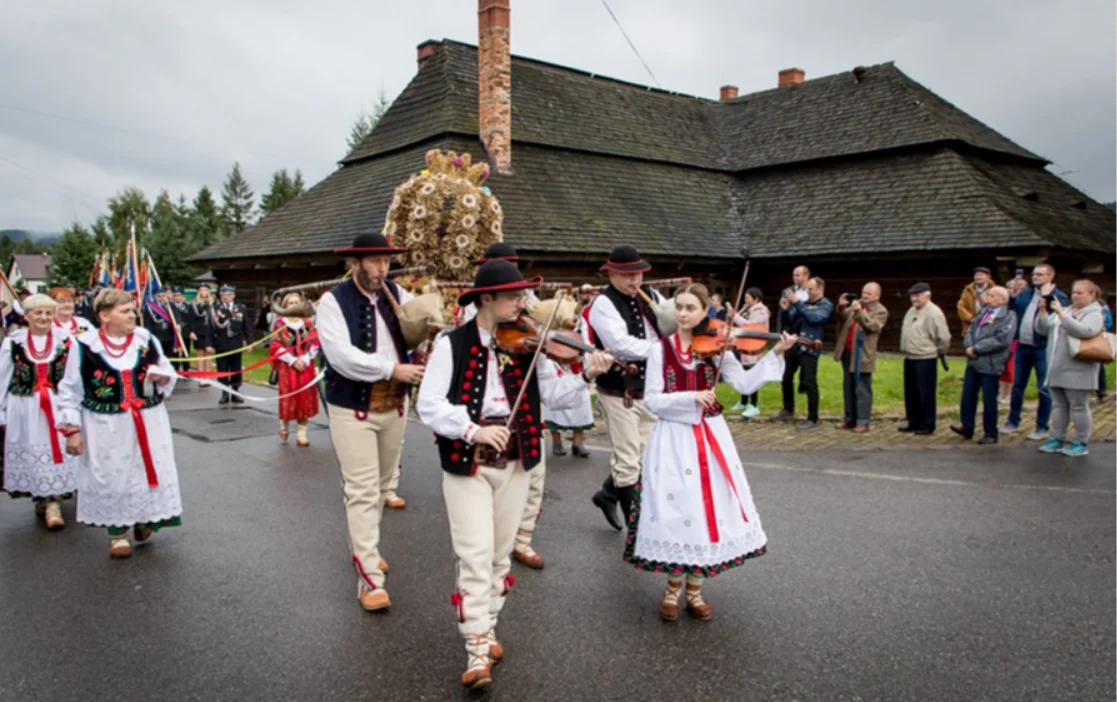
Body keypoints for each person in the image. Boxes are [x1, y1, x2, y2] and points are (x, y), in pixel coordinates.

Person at [416, 259, 614, 689]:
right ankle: (475, 649)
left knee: (499, 555)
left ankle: (485, 627)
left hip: (517, 460)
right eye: (513, 297)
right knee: (473, 554)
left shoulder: (529, 344)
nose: (522, 305)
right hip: (468, 462)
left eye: (522, 296)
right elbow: (428, 404)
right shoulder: (452, 343)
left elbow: (557, 398)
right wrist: (473, 429)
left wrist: (587, 375)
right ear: (486, 298)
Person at [624, 283, 796, 622]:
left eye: (691, 308)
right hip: (673, 439)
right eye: (680, 307)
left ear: (706, 312)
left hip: (710, 436)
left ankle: (696, 589)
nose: (684, 314)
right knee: (678, 506)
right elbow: (654, 399)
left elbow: (746, 385)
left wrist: (776, 353)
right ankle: (673, 587)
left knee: (708, 508)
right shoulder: (661, 349)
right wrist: (690, 398)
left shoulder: (718, 348)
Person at [317, 232, 424, 613]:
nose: (383, 269)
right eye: (376, 262)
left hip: (394, 406)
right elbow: (340, 357)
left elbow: (422, 330)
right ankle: (369, 579)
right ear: (355, 263)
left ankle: (366, 548)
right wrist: (391, 368)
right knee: (361, 490)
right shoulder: (332, 301)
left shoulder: (399, 295)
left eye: (386, 262)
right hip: (353, 409)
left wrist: (429, 335)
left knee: (380, 487)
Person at [56, 288, 182, 558]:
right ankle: (117, 533)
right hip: (105, 425)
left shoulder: (145, 339)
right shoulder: (83, 346)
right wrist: (72, 431)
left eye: (132, 309)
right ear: (104, 315)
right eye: (124, 311)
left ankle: (145, 518)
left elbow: (167, 369)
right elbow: (69, 391)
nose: (132, 315)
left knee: (148, 471)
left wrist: (162, 377)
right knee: (112, 473)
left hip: (149, 420)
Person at [586, 245, 668, 531]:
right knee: (629, 460)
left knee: (644, 455)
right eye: (628, 276)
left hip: (650, 391)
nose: (635, 282)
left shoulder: (653, 296)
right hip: (618, 393)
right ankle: (638, 531)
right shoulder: (603, 304)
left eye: (639, 275)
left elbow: (669, 325)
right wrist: (662, 350)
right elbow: (620, 345)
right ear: (611, 274)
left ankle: (607, 495)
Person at [0, 294, 80, 530]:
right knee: (32, 452)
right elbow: (2, 377)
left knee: (58, 450)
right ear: (27, 316)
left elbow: (75, 376)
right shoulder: (13, 342)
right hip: (24, 406)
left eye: (48, 313)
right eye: (38, 313)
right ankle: (41, 496)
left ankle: (53, 503)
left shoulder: (66, 341)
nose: (44, 318)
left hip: (57, 404)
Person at [1035, 280, 1105, 457]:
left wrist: (1061, 314)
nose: (1075, 296)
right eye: (1074, 292)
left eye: (1080, 293)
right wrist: (1043, 311)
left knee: (1079, 406)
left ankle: (1081, 441)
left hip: (1078, 368)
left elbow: (1085, 331)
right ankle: (1057, 438)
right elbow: (1043, 329)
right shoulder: (1066, 310)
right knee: (1059, 405)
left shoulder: (1095, 313)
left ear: (1092, 295)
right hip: (1056, 366)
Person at [1003, 264, 1069, 440]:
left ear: (1050, 277)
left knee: (1043, 388)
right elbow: (1012, 308)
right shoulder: (1026, 294)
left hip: (1043, 348)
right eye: (1034, 274)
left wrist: (1047, 297)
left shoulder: (1059, 296)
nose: (1035, 277)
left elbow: (1056, 318)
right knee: (1017, 386)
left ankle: (1041, 426)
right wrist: (1012, 295)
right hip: (1023, 346)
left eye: (1040, 275)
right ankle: (1012, 421)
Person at [951, 287, 1017, 444]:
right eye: (989, 294)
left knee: (988, 399)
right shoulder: (983, 312)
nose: (989, 297)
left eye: (993, 295)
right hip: (973, 361)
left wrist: (977, 348)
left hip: (991, 363)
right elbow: (970, 330)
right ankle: (967, 426)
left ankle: (990, 433)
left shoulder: (1009, 316)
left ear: (1003, 299)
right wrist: (968, 346)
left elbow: (1002, 339)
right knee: (967, 395)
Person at [775, 276, 832, 430]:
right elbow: (791, 321)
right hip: (794, 345)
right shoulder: (804, 304)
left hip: (810, 347)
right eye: (807, 289)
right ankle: (788, 409)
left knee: (809, 382)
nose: (808, 292)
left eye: (811, 289)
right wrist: (786, 310)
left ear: (820, 289)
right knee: (786, 377)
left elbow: (813, 318)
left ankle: (813, 418)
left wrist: (797, 303)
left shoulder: (825, 305)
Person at [833, 283, 888, 433]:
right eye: (864, 292)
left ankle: (863, 421)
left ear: (877, 296)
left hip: (863, 354)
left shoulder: (880, 311)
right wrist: (841, 307)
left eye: (869, 293)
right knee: (848, 387)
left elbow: (871, 326)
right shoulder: (857, 305)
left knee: (862, 388)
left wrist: (859, 312)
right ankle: (849, 418)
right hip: (847, 352)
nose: (865, 296)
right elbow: (842, 318)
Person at [268, 291, 320, 447]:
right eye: (290, 303)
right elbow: (275, 345)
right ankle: (284, 426)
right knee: (288, 397)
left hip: (305, 366)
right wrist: (291, 360)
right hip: (288, 367)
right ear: (285, 306)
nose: (294, 305)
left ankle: (301, 434)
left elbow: (315, 342)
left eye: (296, 302)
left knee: (305, 398)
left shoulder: (308, 323)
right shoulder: (280, 324)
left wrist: (305, 358)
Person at [898, 283, 951, 435]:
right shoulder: (911, 311)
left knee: (925, 392)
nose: (914, 298)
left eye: (918, 295)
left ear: (927, 295)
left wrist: (939, 352)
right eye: (912, 296)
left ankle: (927, 424)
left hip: (926, 357)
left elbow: (944, 337)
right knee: (911, 392)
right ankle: (913, 421)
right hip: (910, 356)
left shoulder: (934, 312)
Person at [728, 287, 769, 418]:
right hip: (742, 344)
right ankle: (744, 401)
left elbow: (750, 326)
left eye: (748, 298)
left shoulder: (761, 311)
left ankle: (754, 404)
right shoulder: (746, 308)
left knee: (752, 374)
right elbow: (737, 321)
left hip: (754, 346)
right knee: (743, 373)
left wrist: (736, 316)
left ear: (756, 299)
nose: (745, 300)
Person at [213, 284, 250, 404]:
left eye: (228, 294)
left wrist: (249, 342)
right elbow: (210, 327)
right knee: (222, 368)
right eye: (223, 294)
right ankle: (224, 393)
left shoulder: (241, 308)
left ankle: (235, 391)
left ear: (233, 295)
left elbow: (247, 327)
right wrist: (209, 344)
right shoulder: (215, 308)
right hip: (221, 343)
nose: (226, 297)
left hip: (235, 343)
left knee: (235, 368)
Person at [998, 277, 1027, 403]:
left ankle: (1009, 393)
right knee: (1002, 366)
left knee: (1010, 366)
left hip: (1016, 338)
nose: (1016, 289)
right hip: (1005, 336)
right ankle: (1001, 392)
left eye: (1021, 286)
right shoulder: (1006, 303)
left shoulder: (1024, 302)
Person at [957, 266, 996, 337]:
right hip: (971, 325)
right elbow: (961, 306)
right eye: (976, 275)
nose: (978, 277)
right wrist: (970, 318)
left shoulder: (995, 289)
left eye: (981, 275)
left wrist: (987, 321)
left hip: (988, 325)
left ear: (988, 277)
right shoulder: (968, 290)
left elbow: (997, 307)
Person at [190, 283, 216, 378]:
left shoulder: (213, 303)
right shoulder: (194, 303)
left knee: (208, 353)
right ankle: (201, 376)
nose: (203, 292)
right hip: (199, 331)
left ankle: (207, 375)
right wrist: (192, 331)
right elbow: (191, 318)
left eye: (205, 290)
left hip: (210, 331)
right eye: (201, 290)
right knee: (200, 353)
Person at [142, 289, 177, 357]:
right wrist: (150, 335)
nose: (161, 298)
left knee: (170, 355)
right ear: (155, 296)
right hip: (157, 334)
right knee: (159, 355)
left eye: (163, 296)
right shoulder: (150, 307)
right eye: (159, 296)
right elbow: (147, 323)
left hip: (169, 335)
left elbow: (177, 316)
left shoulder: (170, 305)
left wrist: (178, 324)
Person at [168, 287, 193, 372]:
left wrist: (190, 331)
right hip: (173, 333)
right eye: (175, 295)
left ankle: (186, 370)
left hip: (185, 332)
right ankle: (175, 370)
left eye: (179, 295)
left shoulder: (188, 306)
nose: (177, 297)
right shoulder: (169, 307)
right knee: (174, 352)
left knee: (186, 352)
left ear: (183, 296)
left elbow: (191, 320)